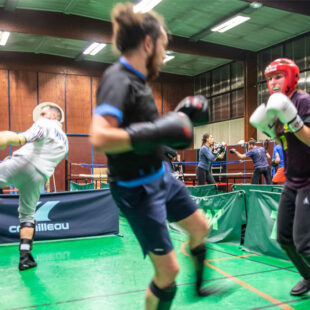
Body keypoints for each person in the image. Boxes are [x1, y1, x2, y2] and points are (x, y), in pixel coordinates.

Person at [90, 3, 215, 309]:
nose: (164, 54)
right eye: (163, 46)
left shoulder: (139, 83)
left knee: (200, 228)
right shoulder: (118, 78)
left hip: (161, 176)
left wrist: (166, 132)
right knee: (168, 272)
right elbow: (99, 137)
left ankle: (199, 288)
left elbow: (142, 132)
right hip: (137, 190)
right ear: (148, 42)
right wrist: (158, 132)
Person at [250, 58, 310, 296]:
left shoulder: (303, 101)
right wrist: (269, 130)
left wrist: (293, 119)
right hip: (291, 179)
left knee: (304, 242)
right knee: (285, 238)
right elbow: (285, 143)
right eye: (270, 78)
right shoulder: (275, 106)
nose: (273, 82)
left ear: (292, 77)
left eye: (279, 76)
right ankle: (308, 276)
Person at [0, 102, 68, 271]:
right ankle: (25, 258)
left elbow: (30, 135)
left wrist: (9, 138)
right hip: (39, 176)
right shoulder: (65, 141)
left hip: (22, 163)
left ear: (54, 116)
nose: (40, 117)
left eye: (43, 113)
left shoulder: (45, 123)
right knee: (28, 216)